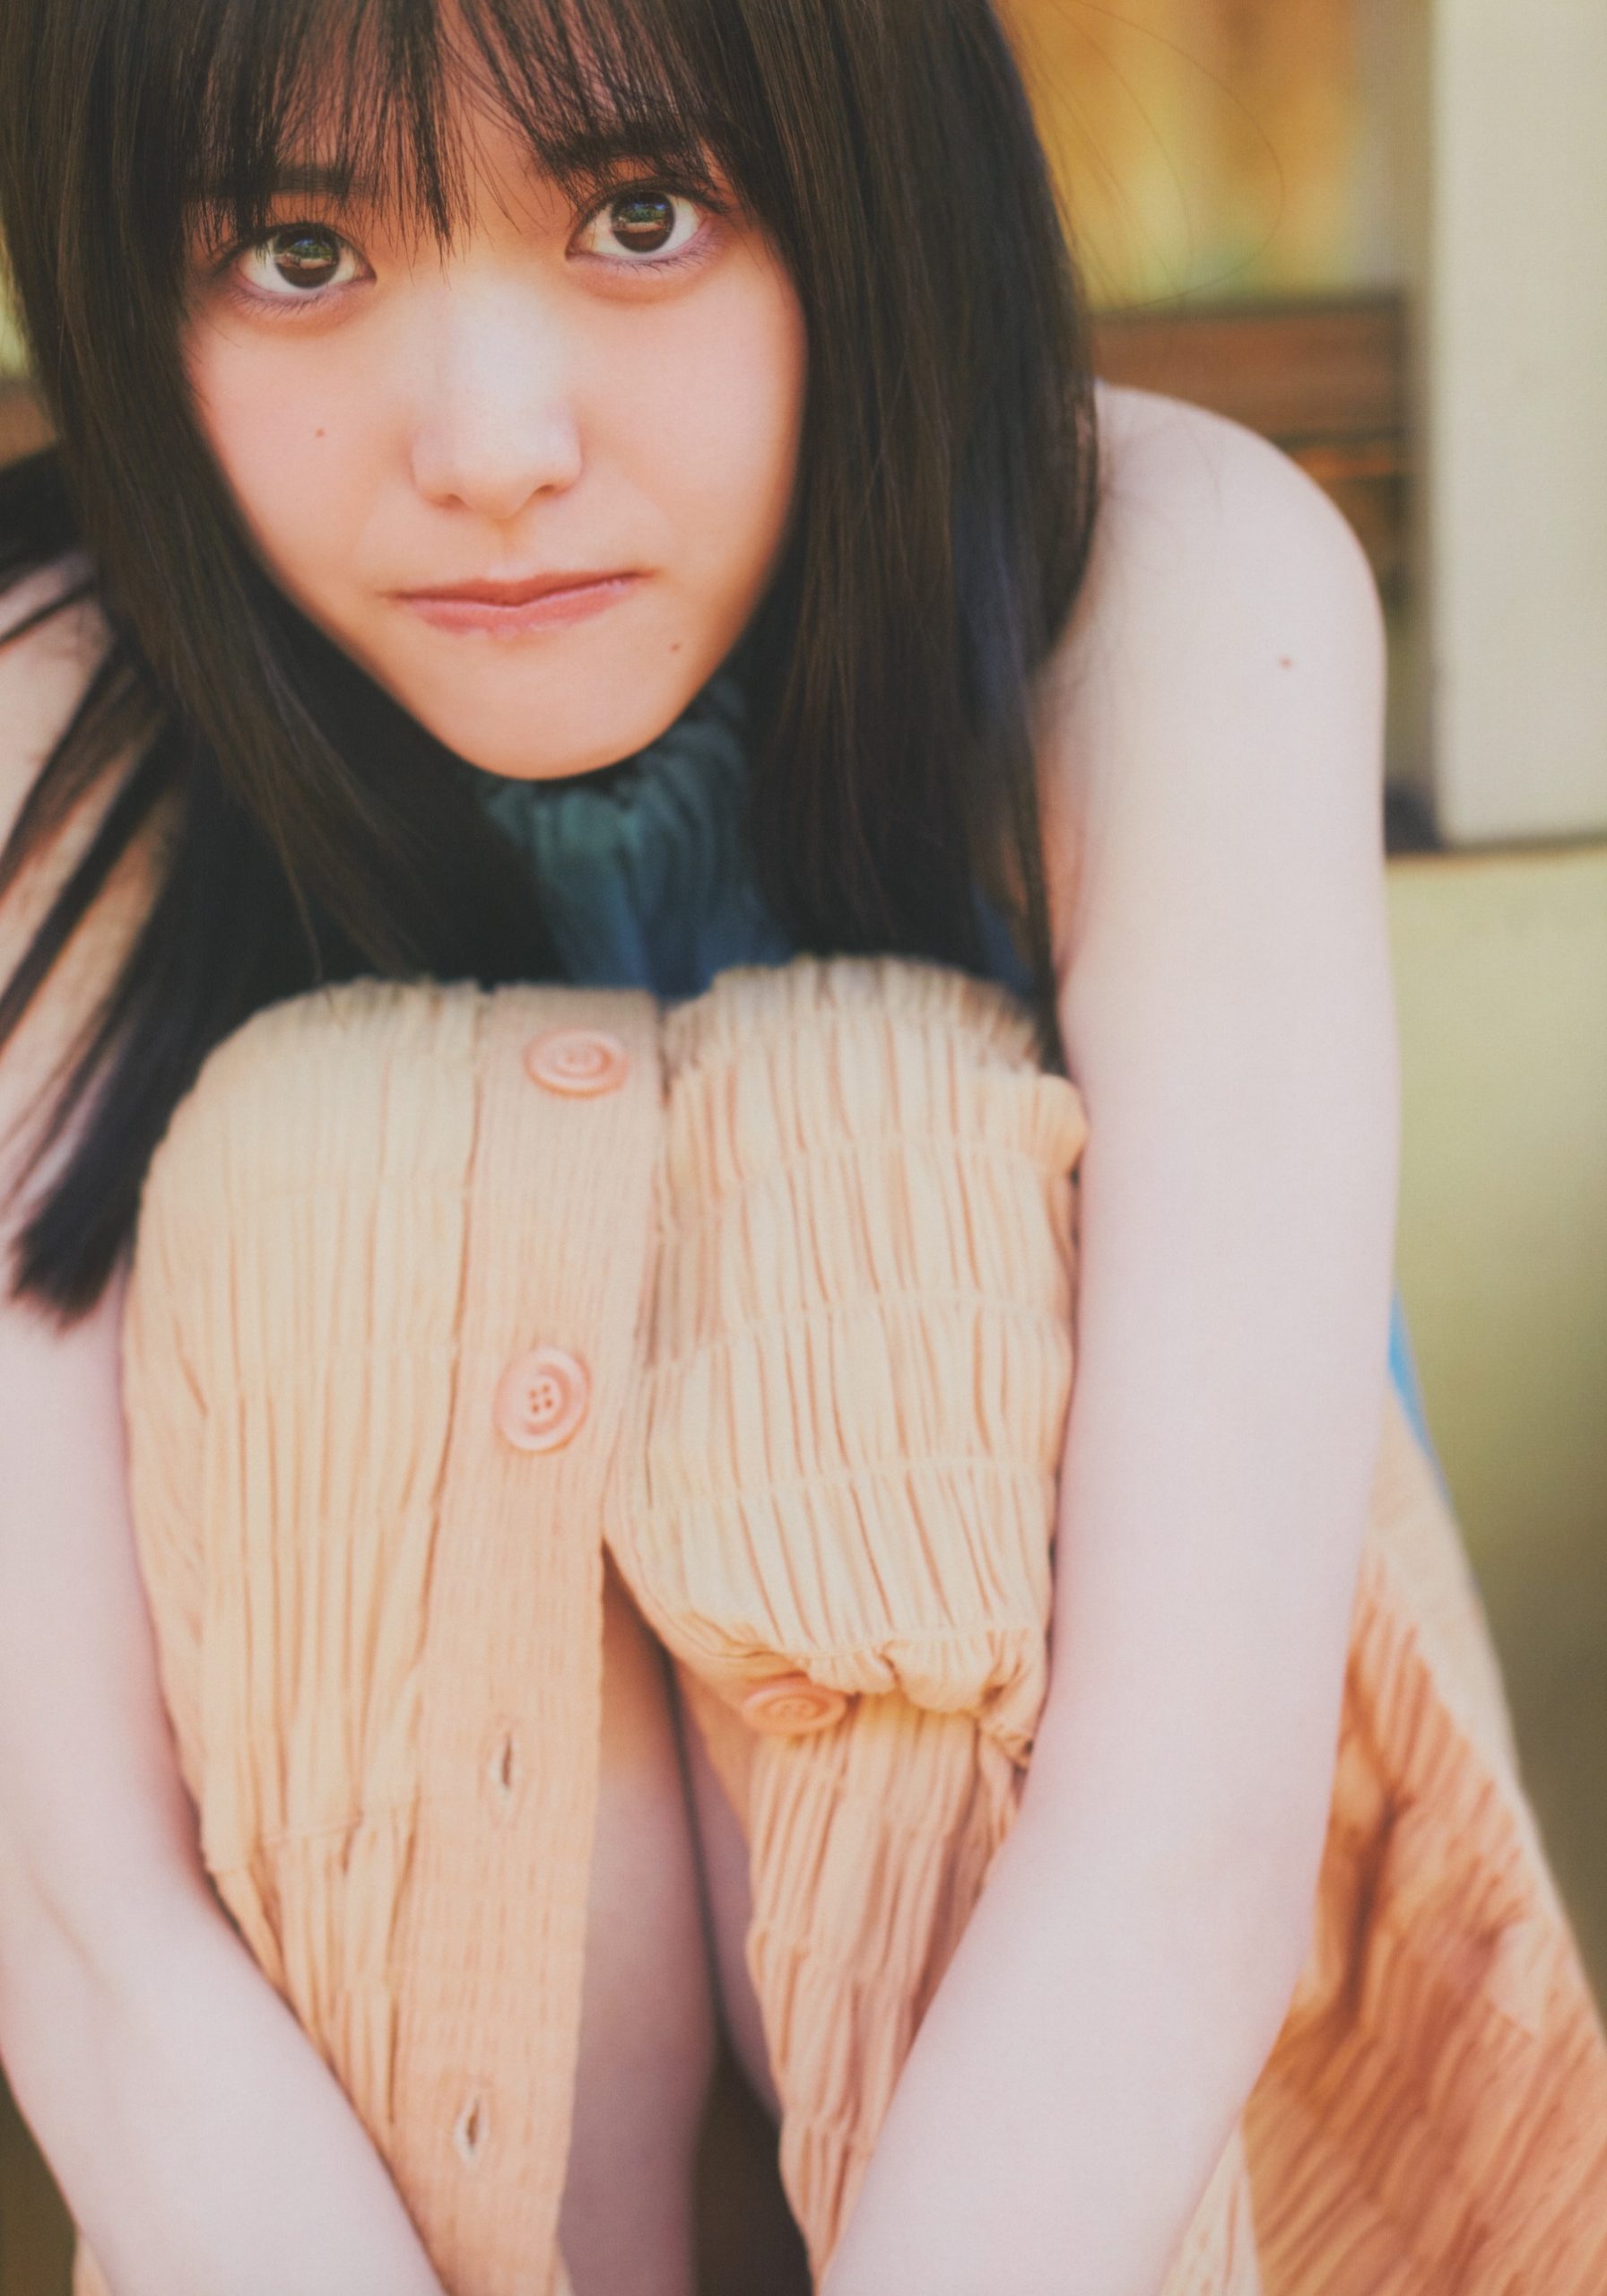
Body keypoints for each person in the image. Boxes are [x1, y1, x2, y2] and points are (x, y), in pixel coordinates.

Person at [1, 4, 1603, 2295]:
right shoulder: (57, 714)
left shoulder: (1157, 585)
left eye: (640, 214)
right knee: (338, 1179)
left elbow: (1182, 1843)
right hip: (381, 2187)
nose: (489, 448)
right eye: (298, 252)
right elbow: (82, 1914)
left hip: (1178, 2140)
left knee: (867, 1148)